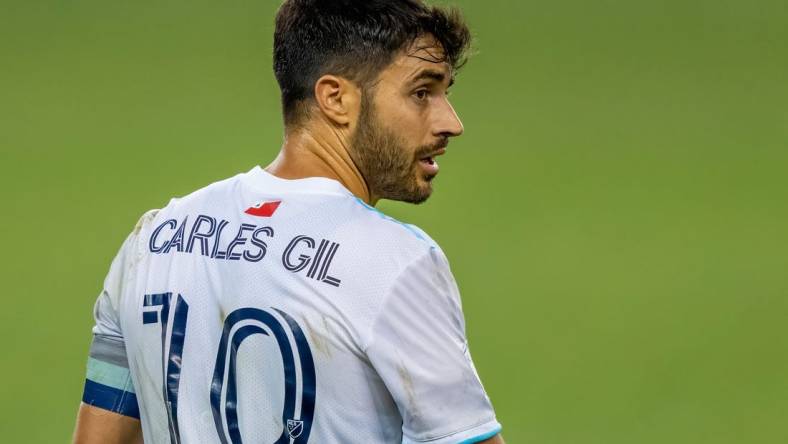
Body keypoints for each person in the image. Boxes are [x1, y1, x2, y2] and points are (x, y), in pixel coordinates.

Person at [72, 0, 503, 443]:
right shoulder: (395, 262)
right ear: (336, 98)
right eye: (422, 93)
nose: (451, 122)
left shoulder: (156, 238)